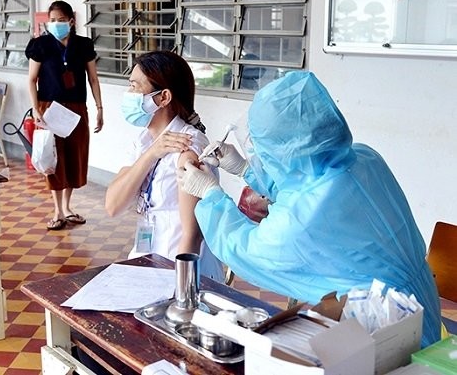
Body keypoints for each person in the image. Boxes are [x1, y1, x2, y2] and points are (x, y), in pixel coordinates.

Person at [178, 71, 441, 347]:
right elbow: (309, 186)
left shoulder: (298, 220)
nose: (256, 150)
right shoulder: (365, 159)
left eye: (261, 144)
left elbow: (243, 249)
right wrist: (247, 170)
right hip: (421, 296)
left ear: (283, 147)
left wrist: (211, 195)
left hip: (379, 323)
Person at [104, 51, 224, 283]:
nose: (128, 95)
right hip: (147, 260)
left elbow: (193, 234)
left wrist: (179, 290)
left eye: (134, 87)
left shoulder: (187, 148)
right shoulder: (144, 142)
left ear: (163, 97)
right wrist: (151, 154)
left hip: (179, 270)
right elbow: (113, 205)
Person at [25, 0, 104, 230]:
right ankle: (57, 210)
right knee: (53, 158)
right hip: (49, 108)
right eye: (52, 20)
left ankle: (68, 207)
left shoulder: (83, 45)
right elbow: (31, 80)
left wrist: (100, 108)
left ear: (71, 21)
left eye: (61, 20)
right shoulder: (40, 46)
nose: (56, 24)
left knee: (73, 157)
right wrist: (35, 109)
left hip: (76, 109)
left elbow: (93, 79)